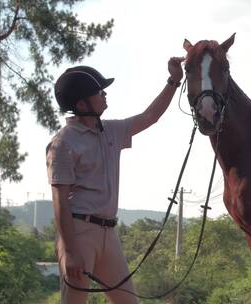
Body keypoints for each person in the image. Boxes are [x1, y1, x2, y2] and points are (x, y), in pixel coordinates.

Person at [46, 57, 184, 304]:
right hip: (79, 234)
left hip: (109, 234)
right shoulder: (63, 143)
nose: (105, 95)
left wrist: (173, 81)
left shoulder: (110, 130)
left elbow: (150, 116)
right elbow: (59, 202)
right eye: (99, 92)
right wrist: (70, 251)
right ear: (81, 103)